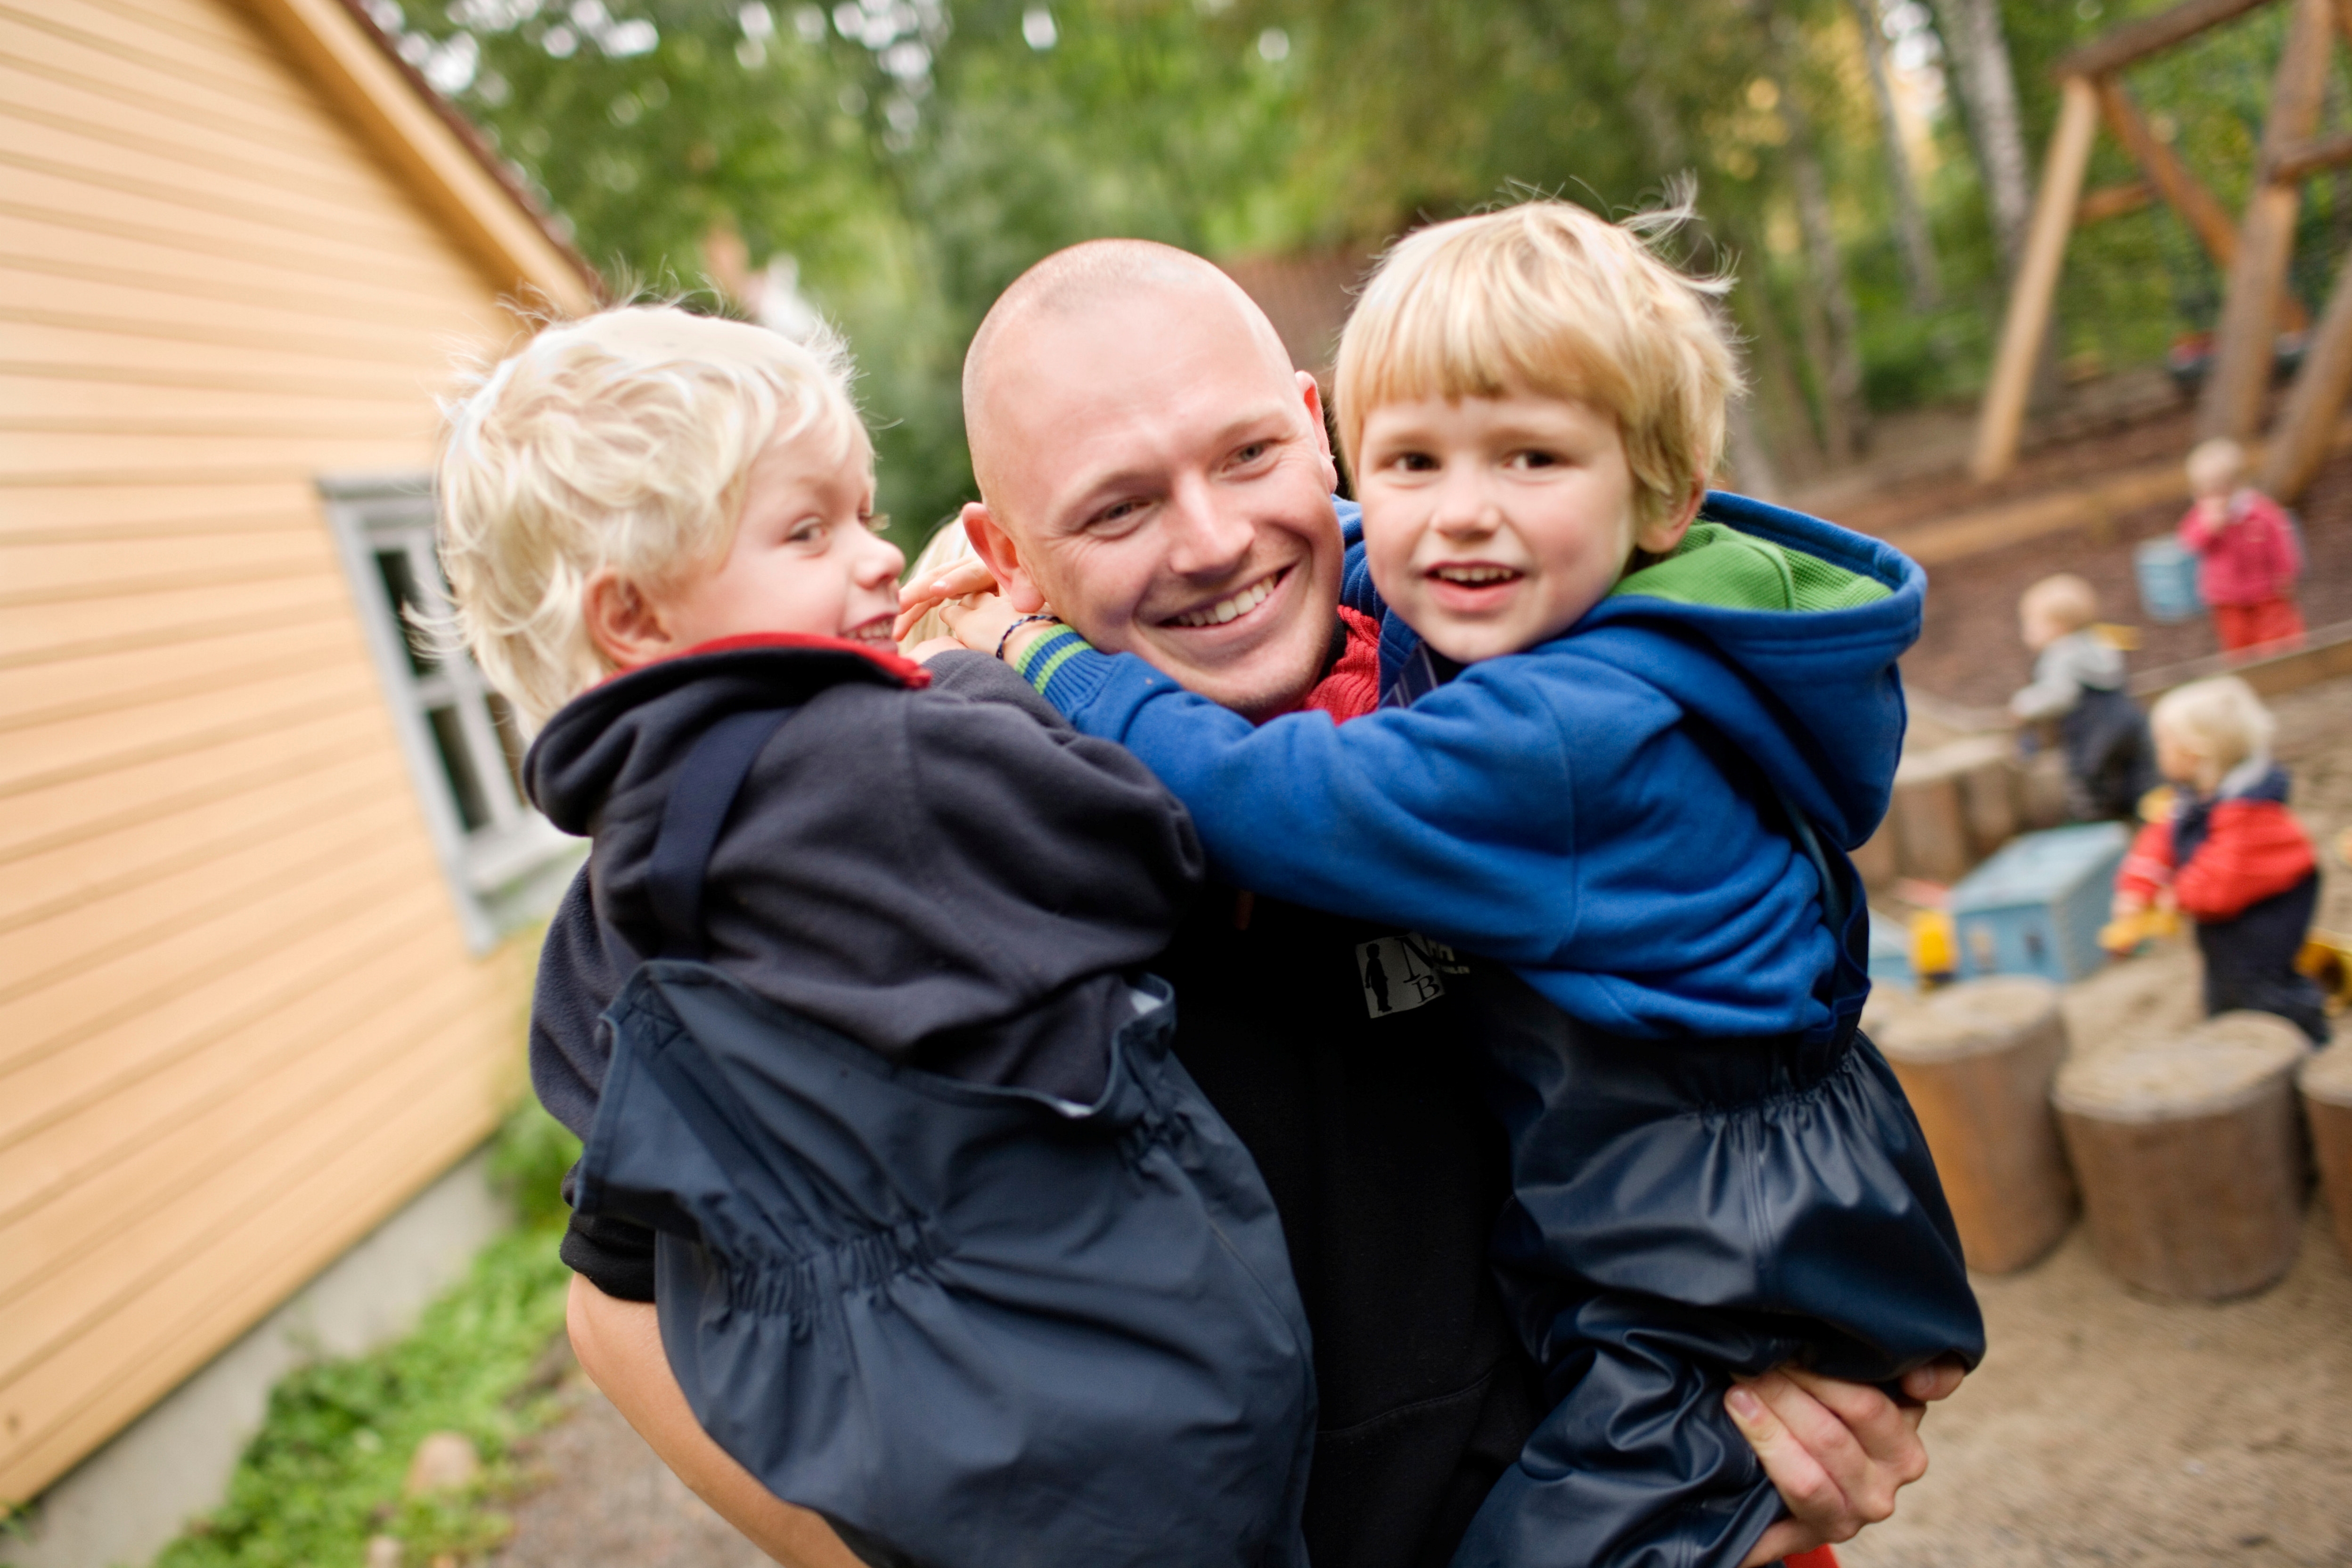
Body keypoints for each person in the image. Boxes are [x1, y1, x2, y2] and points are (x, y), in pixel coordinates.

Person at [567, 245, 1965, 1568]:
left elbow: (1756, 1069)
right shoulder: (892, 832)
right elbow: (622, 1297)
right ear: (1008, 555)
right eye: (1117, 508)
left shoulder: (1509, 658)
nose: (1214, 540)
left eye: (1247, 456)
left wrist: (1807, 1392)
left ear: (1317, 431)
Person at [436, 305, 1317, 1566]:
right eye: (809, 532)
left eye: (863, 512)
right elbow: (1145, 857)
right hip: (1134, 1382)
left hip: (915, 1464)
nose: (880, 558)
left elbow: (612, 1176)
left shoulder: (595, 927)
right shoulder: (890, 754)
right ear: (632, 617)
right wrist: (988, 679)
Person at [2113, 676, 2330, 1044]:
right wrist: (2138, 887)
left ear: (2195, 755)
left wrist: (2176, 896)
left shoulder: (2255, 816)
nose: (2157, 750)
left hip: (2263, 944)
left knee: (2274, 1008)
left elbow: (2222, 883)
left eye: (2164, 742)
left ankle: (2309, 1052)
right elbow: (2161, 838)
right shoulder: (2193, 798)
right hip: (2227, 947)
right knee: (2227, 1000)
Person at [2009, 572, 2157, 822]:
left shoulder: (2059, 654)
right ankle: (2143, 818)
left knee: (2089, 783)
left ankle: (2098, 826)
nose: (2026, 631)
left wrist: (2024, 705)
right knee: (2136, 777)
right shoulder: (2100, 641)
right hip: (2130, 720)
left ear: (2058, 627)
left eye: (2030, 624)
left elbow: (2060, 695)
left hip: (2094, 731)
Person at [2179, 438, 2307, 661]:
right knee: (2238, 646)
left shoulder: (2259, 511)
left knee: (2277, 640)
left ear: (2236, 485)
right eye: (2204, 493)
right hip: (2226, 596)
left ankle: (2280, 669)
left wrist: (2286, 572)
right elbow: (2189, 543)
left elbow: (2280, 540)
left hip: (2266, 591)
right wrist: (2210, 527)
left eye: (2219, 491)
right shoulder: (2202, 516)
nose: (2212, 498)